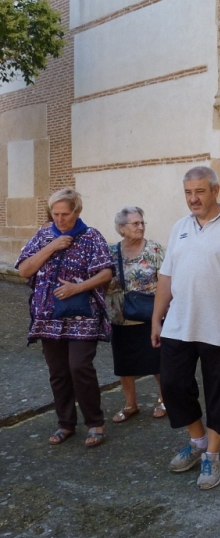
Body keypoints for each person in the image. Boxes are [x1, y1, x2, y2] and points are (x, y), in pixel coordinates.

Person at [151, 166, 220, 490]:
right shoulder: (180, 227)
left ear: (215, 190)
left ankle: (212, 455)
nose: (193, 198)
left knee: (219, 393)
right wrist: (157, 318)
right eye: (188, 192)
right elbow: (166, 276)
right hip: (178, 324)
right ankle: (197, 440)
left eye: (199, 191)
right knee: (171, 385)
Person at [16, 189, 113, 447]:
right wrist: (52, 246)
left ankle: (95, 422)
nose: (60, 219)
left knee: (79, 366)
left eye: (65, 214)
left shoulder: (92, 237)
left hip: (81, 314)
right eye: (55, 214)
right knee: (58, 372)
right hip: (47, 316)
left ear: (77, 211)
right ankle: (65, 423)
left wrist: (76, 288)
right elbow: (24, 269)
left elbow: (106, 274)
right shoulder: (43, 235)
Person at [105, 206, 166, 422]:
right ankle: (131, 404)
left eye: (142, 223)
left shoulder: (154, 249)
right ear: (121, 228)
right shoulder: (111, 252)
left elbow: (166, 282)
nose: (141, 227)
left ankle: (163, 400)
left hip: (149, 315)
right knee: (124, 363)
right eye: (135, 223)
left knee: (157, 361)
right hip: (119, 316)